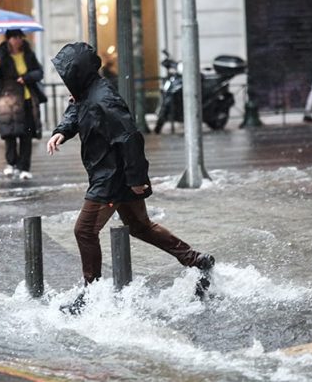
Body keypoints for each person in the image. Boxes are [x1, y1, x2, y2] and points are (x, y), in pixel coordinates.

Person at [47, 42, 215, 313]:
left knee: (84, 230)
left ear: (77, 73)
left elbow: (130, 138)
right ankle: (197, 260)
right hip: (113, 174)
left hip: (111, 178)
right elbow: (76, 110)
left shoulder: (104, 99)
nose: (64, 80)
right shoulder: (87, 93)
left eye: (66, 74)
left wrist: (137, 179)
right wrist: (62, 131)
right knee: (140, 227)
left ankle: (92, 295)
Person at [0, 29, 45, 180]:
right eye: (14, 37)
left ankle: (24, 167)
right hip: (8, 100)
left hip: (27, 98)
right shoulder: (0, 54)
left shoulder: (28, 53)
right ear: (8, 39)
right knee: (10, 133)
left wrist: (26, 77)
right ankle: (11, 163)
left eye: (19, 37)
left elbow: (39, 72)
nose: (18, 40)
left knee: (26, 134)